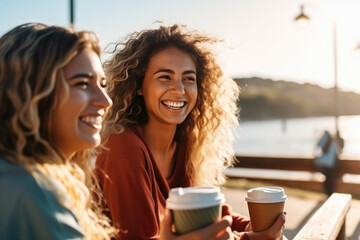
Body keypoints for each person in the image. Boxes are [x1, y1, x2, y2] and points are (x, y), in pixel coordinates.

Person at [96, 24, 286, 240]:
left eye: (188, 78)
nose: (179, 90)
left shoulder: (186, 146)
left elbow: (214, 215)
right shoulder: (123, 148)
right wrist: (247, 239)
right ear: (139, 86)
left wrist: (260, 228)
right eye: (165, 77)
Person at [0, 23, 117, 239]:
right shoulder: (35, 190)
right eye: (82, 84)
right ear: (33, 95)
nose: (106, 101)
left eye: (102, 84)